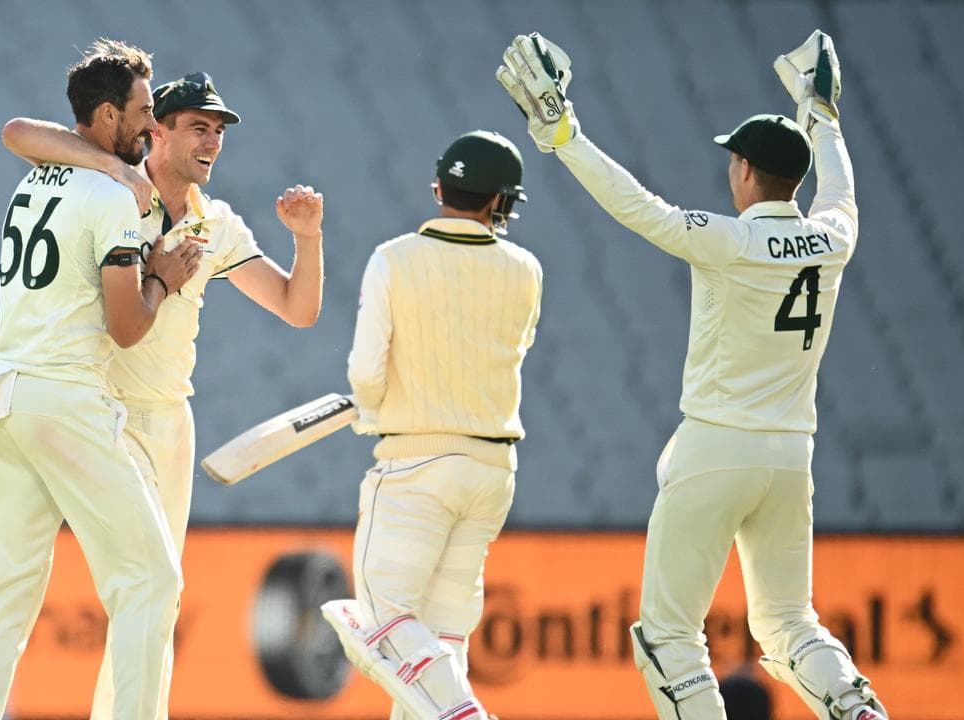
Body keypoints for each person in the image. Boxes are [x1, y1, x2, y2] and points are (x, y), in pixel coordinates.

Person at [497, 31, 888, 720]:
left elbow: (635, 205)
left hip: (715, 447)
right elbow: (842, 186)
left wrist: (564, 136)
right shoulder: (834, 236)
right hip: (791, 455)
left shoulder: (729, 240)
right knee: (790, 623)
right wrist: (821, 114)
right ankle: (861, 711)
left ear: (742, 169)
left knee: (667, 636)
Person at [0, 71, 324, 717]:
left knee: (155, 596)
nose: (213, 141)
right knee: (137, 586)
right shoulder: (112, 189)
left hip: (169, 420)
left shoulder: (216, 224)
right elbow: (17, 133)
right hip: (98, 415)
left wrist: (307, 237)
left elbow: (297, 307)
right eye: (198, 127)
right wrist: (116, 170)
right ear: (157, 130)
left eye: (220, 130)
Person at [0, 38, 202, 720]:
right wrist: (163, 278)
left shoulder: (37, 174)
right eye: (145, 113)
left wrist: (113, 171)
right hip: (64, 400)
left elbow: (19, 132)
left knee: (9, 592)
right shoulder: (110, 195)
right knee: (151, 581)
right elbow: (127, 327)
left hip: (5, 399)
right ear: (103, 116)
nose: (154, 127)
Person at [321, 130, 542, 720]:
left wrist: (369, 408)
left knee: (382, 617)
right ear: (502, 200)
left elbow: (366, 369)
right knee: (444, 635)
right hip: (493, 468)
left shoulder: (393, 258)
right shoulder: (525, 269)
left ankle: (467, 716)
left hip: (416, 464)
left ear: (439, 186)